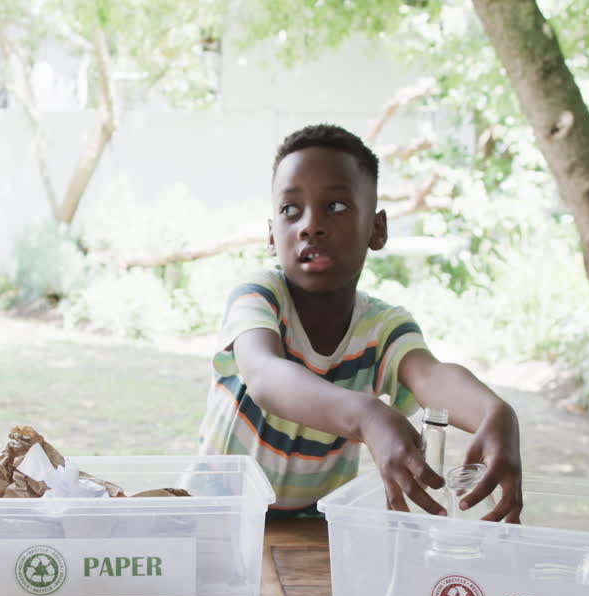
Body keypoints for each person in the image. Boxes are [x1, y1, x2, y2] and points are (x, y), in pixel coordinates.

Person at [198, 124, 522, 522]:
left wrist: (494, 413)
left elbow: (430, 376)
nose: (310, 225)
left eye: (335, 206)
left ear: (377, 228)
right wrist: (368, 415)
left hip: (315, 525)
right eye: (290, 210)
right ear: (271, 235)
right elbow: (265, 375)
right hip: (213, 515)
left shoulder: (383, 328)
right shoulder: (258, 296)